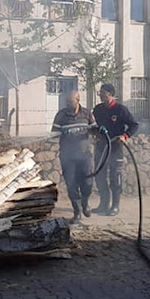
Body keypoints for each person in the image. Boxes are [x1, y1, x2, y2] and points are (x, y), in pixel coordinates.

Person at [92, 83, 139, 216]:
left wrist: (125, 136)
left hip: (116, 148)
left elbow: (134, 125)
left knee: (114, 178)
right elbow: (93, 124)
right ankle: (103, 204)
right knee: (100, 177)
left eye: (103, 93)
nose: (101, 95)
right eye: (100, 93)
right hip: (101, 147)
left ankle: (115, 206)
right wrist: (95, 131)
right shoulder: (98, 109)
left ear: (110, 94)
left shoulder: (120, 110)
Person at [51, 90, 96, 222]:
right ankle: (77, 212)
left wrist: (98, 131)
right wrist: (64, 133)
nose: (68, 104)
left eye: (71, 102)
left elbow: (94, 130)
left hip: (84, 155)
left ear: (78, 100)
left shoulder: (87, 114)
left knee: (87, 183)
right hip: (67, 156)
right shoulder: (61, 115)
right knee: (71, 184)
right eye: (67, 102)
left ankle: (85, 203)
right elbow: (53, 134)